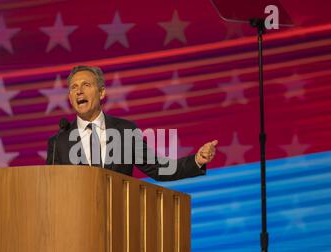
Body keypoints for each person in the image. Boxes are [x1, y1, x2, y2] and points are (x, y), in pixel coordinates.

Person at [46, 65, 218, 181]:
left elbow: (158, 168)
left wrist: (196, 160)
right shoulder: (59, 141)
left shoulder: (125, 131)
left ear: (101, 92)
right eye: (74, 87)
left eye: (85, 85)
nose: (79, 91)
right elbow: (52, 189)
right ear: (69, 97)